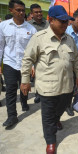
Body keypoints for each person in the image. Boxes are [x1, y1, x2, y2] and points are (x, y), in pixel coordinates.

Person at [20, 5, 78, 154]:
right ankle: (51, 141)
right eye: (62, 21)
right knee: (47, 115)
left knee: (63, 106)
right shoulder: (39, 38)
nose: (65, 24)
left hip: (67, 85)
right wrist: (25, 80)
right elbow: (27, 59)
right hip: (47, 87)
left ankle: (56, 119)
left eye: (67, 21)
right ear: (51, 20)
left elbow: (75, 59)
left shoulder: (70, 39)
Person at [0, 0, 37, 128]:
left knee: (24, 87)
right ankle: (12, 116)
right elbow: (0, 46)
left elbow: (33, 50)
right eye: (18, 10)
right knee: (10, 89)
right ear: (11, 10)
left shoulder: (31, 29)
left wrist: (33, 66)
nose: (21, 12)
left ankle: (24, 102)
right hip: (9, 62)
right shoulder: (3, 26)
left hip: (25, 64)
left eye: (23, 10)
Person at [28, 3, 50, 104]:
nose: (39, 14)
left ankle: (46, 93)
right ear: (32, 14)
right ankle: (38, 94)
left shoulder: (47, 23)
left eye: (40, 11)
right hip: (34, 53)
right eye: (36, 12)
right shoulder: (28, 25)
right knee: (37, 75)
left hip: (46, 53)